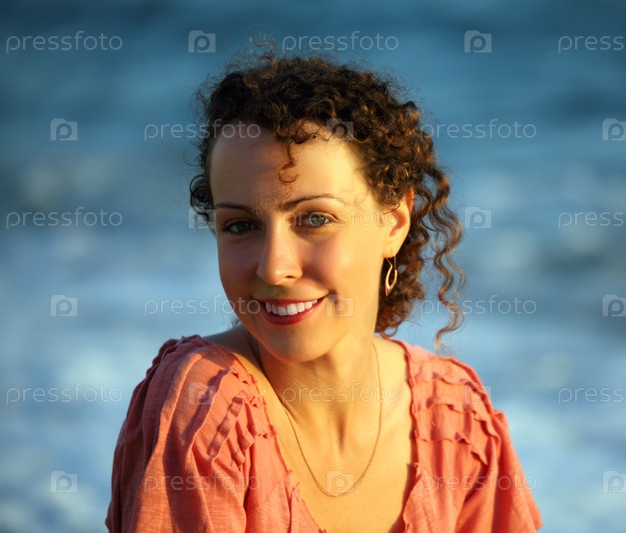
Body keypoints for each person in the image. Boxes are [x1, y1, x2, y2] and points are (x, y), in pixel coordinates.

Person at [106, 53, 542, 532]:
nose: (274, 267)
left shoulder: (456, 420)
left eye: (315, 218)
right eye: (241, 225)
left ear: (394, 222)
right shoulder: (206, 409)